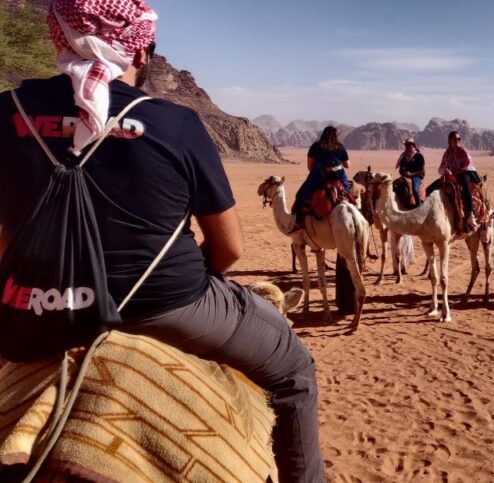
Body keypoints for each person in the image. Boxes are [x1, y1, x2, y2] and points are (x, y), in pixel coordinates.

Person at [0, 1, 325, 480]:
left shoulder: (7, 111)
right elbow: (230, 249)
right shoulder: (175, 122)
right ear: (138, 51)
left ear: (58, 39)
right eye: (147, 48)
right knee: (294, 368)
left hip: (29, 308)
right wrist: (190, 277)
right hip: (164, 304)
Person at [295, 125, 350, 224]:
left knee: (301, 195)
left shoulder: (316, 146)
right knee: (350, 194)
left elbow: (310, 167)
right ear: (335, 136)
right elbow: (347, 165)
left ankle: (299, 222)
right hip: (339, 178)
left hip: (321, 178)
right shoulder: (340, 146)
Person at [438, 130, 480, 231]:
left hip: (464, 173)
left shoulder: (462, 150)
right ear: (450, 140)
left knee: (465, 187)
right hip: (451, 175)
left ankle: (470, 215)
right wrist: (446, 170)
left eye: (458, 139)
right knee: (434, 187)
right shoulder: (447, 153)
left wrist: (458, 171)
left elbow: (468, 164)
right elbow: (441, 167)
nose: (457, 140)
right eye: (455, 139)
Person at [396, 138, 425, 206]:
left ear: (413, 146)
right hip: (405, 176)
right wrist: (404, 173)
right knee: (395, 186)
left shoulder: (419, 156)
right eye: (406, 146)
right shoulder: (403, 157)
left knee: (415, 190)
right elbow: (401, 170)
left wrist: (411, 174)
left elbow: (422, 170)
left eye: (410, 145)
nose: (408, 147)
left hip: (416, 176)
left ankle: (419, 207)